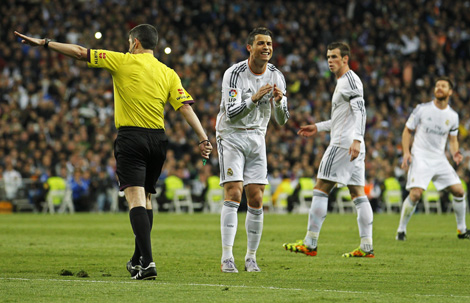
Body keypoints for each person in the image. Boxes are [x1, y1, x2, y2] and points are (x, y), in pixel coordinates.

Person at [15, 24, 213, 279]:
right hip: (158, 140)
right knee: (147, 200)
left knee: (134, 199)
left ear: (136, 43)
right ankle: (137, 259)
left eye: (130, 41)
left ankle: (149, 264)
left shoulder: (122, 60)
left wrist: (44, 43)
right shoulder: (168, 73)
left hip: (131, 138)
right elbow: (185, 107)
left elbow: (79, 52)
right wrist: (203, 138)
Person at [283, 42, 374, 258]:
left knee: (321, 187)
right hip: (352, 144)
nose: (330, 61)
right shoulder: (343, 82)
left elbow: (361, 112)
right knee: (357, 192)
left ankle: (310, 242)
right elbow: (342, 118)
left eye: (334, 57)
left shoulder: (350, 81)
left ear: (345, 59)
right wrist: (319, 127)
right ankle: (367, 245)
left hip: (344, 144)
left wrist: (357, 139)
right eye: (328, 57)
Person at [216, 27, 289, 273]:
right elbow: (233, 114)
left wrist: (279, 103)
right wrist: (255, 98)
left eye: (269, 43)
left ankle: (251, 257)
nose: (266, 47)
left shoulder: (277, 76)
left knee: (256, 197)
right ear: (250, 47)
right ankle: (227, 256)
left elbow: (283, 120)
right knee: (234, 193)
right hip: (231, 136)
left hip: (258, 137)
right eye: (261, 43)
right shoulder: (234, 74)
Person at [395, 77, 470, 242]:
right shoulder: (422, 109)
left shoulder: (453, 116)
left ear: (450, 92)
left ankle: (462, 230)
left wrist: (455, 153)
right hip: (420, 156)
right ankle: (401, 230)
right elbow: (407, 131)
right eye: (437, 86)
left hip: (439, 158)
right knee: (415, 194)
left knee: (459, 191)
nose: (439, 88)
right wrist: (406, 152)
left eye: (443, 86)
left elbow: (453, 140)